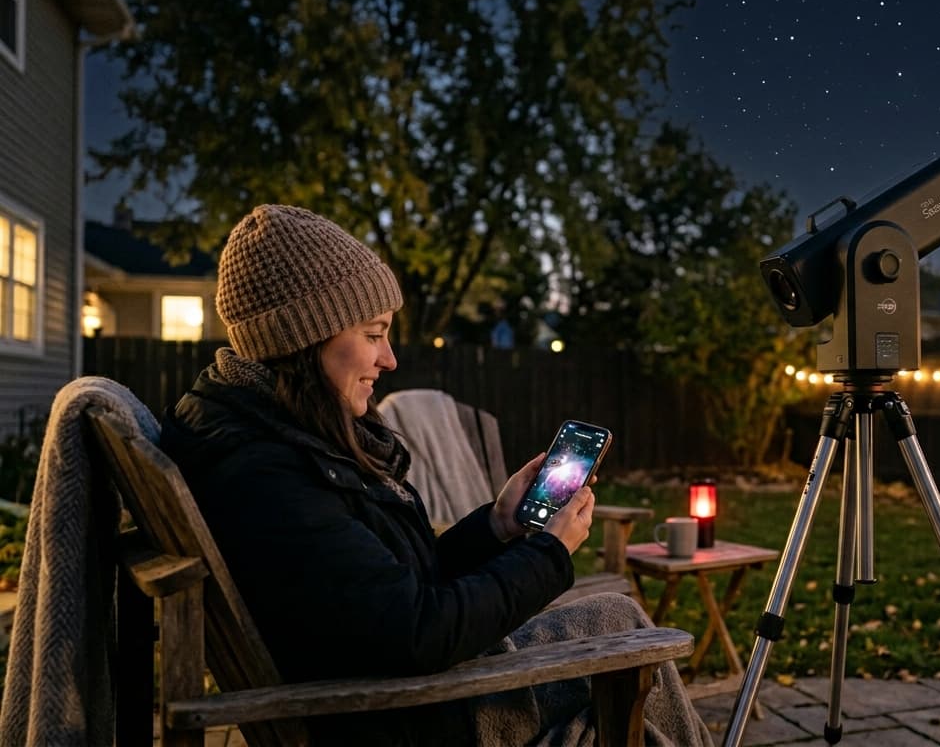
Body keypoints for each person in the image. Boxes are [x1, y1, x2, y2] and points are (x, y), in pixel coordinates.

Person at [159, 204, 710, 746]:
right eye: (374, 334)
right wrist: (551, 553)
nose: (390, 359)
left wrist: (496, 526)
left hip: (414, 689)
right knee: (635, 640)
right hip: (418, 712)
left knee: (622, 620)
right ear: (304, 338)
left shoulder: (264, 434)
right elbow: (418, 631)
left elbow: (383, 589)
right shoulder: (264, 473)